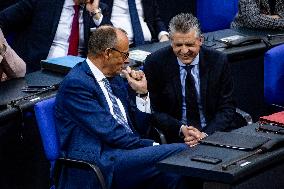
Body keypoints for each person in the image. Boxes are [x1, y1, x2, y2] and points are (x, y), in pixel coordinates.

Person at [55, 25, 195, 189]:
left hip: (128, 154)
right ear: (107, 53)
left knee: (174, 173)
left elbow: (140, 128)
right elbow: (111, 132)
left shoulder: (115, 79)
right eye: (124, 54)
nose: (127, 60)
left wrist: (142, 93)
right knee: (183, 151)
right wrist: (154, 147)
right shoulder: (77, 85)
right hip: (103, 161)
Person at [144, 13, 236, 144]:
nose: (184, 51)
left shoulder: (218, 61)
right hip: (176, 138)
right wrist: (181, 129)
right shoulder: (155, 63)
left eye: (189, 44)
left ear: (201, 40)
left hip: (214, 133)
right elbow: (154, 110)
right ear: (171, 41)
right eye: (178, 45)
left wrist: (205, 134)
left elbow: (227, 107)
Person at [0, 0, 111, 73]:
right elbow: (3, 20)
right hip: (37, 72)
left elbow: (113, 43)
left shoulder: (98, 9)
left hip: (77, 76)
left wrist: (95, 13)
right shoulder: (43, 2)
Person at [101, 0, 169, 46]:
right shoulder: (103, 2)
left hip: (149, 44)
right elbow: (99, 22)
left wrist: (163, 35)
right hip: (119, 47)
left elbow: (156, 19)